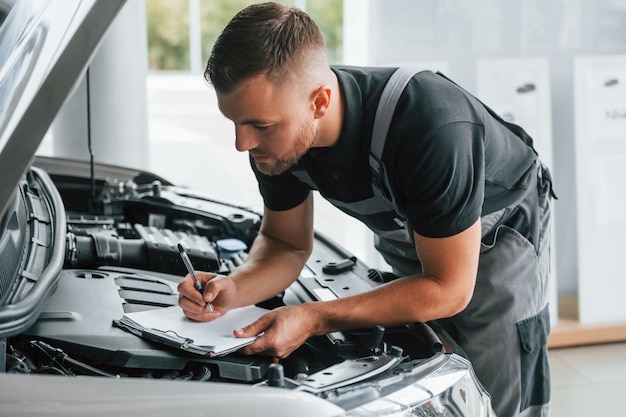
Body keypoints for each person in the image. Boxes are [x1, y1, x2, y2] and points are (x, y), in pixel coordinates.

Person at [177, 3, 555, 416]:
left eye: (260, 126)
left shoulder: (429, 126)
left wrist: (314, 317)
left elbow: (448, 287)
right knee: (435, 369)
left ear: (319, 102)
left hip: (498, 238)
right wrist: (235, 289)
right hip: (420, 236)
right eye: (235, 122)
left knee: (499, 392)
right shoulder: (277, 142)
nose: (242, 143)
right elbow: (284, 243)